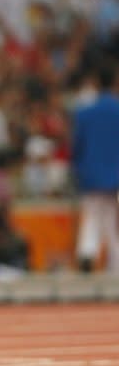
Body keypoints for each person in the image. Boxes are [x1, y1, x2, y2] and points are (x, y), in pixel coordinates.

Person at [72, 63, 119, 275]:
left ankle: (87, 252)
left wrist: (78, 169)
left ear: (96, 84)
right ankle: (115, 263)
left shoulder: (84, 113)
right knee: (111, 219)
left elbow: (77, 146)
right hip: (114, 174)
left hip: (91, 173)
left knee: (92, 214)